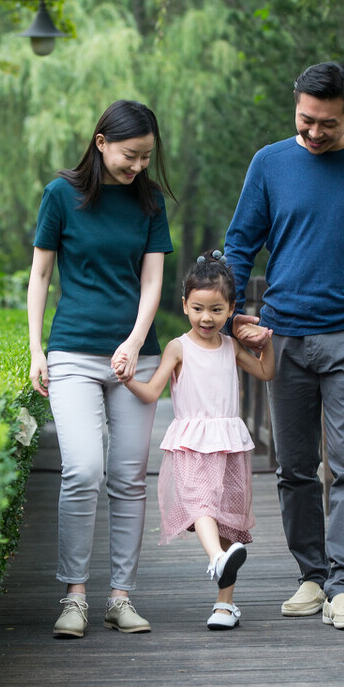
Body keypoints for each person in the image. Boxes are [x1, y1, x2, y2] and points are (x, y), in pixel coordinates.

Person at [223, 61, 344, 630]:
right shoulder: (270, 163)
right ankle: (311, 576)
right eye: (304, 120)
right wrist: (230, 317)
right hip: (284, 336)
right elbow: (239, 246)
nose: (311, 133)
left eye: (325, 124)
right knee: (295, 467)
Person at [27, 99, 175, 639]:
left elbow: (153, 282)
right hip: (71, 352)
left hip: (135, 358)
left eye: (145, 158)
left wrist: (135, 343)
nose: (137, 167)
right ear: (100, 142)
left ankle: (120, 597)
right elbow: (40, 275)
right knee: (83, 470)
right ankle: (74, 597)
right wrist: (36, 349)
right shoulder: (61, 195)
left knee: (129, 477)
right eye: (130, 156)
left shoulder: (150, 202)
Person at [121, 250, 275, 630]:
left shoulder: (230, 347)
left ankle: (225, 605)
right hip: (192, 443)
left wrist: (265, 341)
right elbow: (154, 391)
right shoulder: (178, 347)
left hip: (228, 446)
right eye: (199, 308)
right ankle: (216, 559)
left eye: (217, 310)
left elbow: (266, 371)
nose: (207, 318)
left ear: (231, 308)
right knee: (203, 503)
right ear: (185, 305)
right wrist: (128, 381)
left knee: (227, 526)